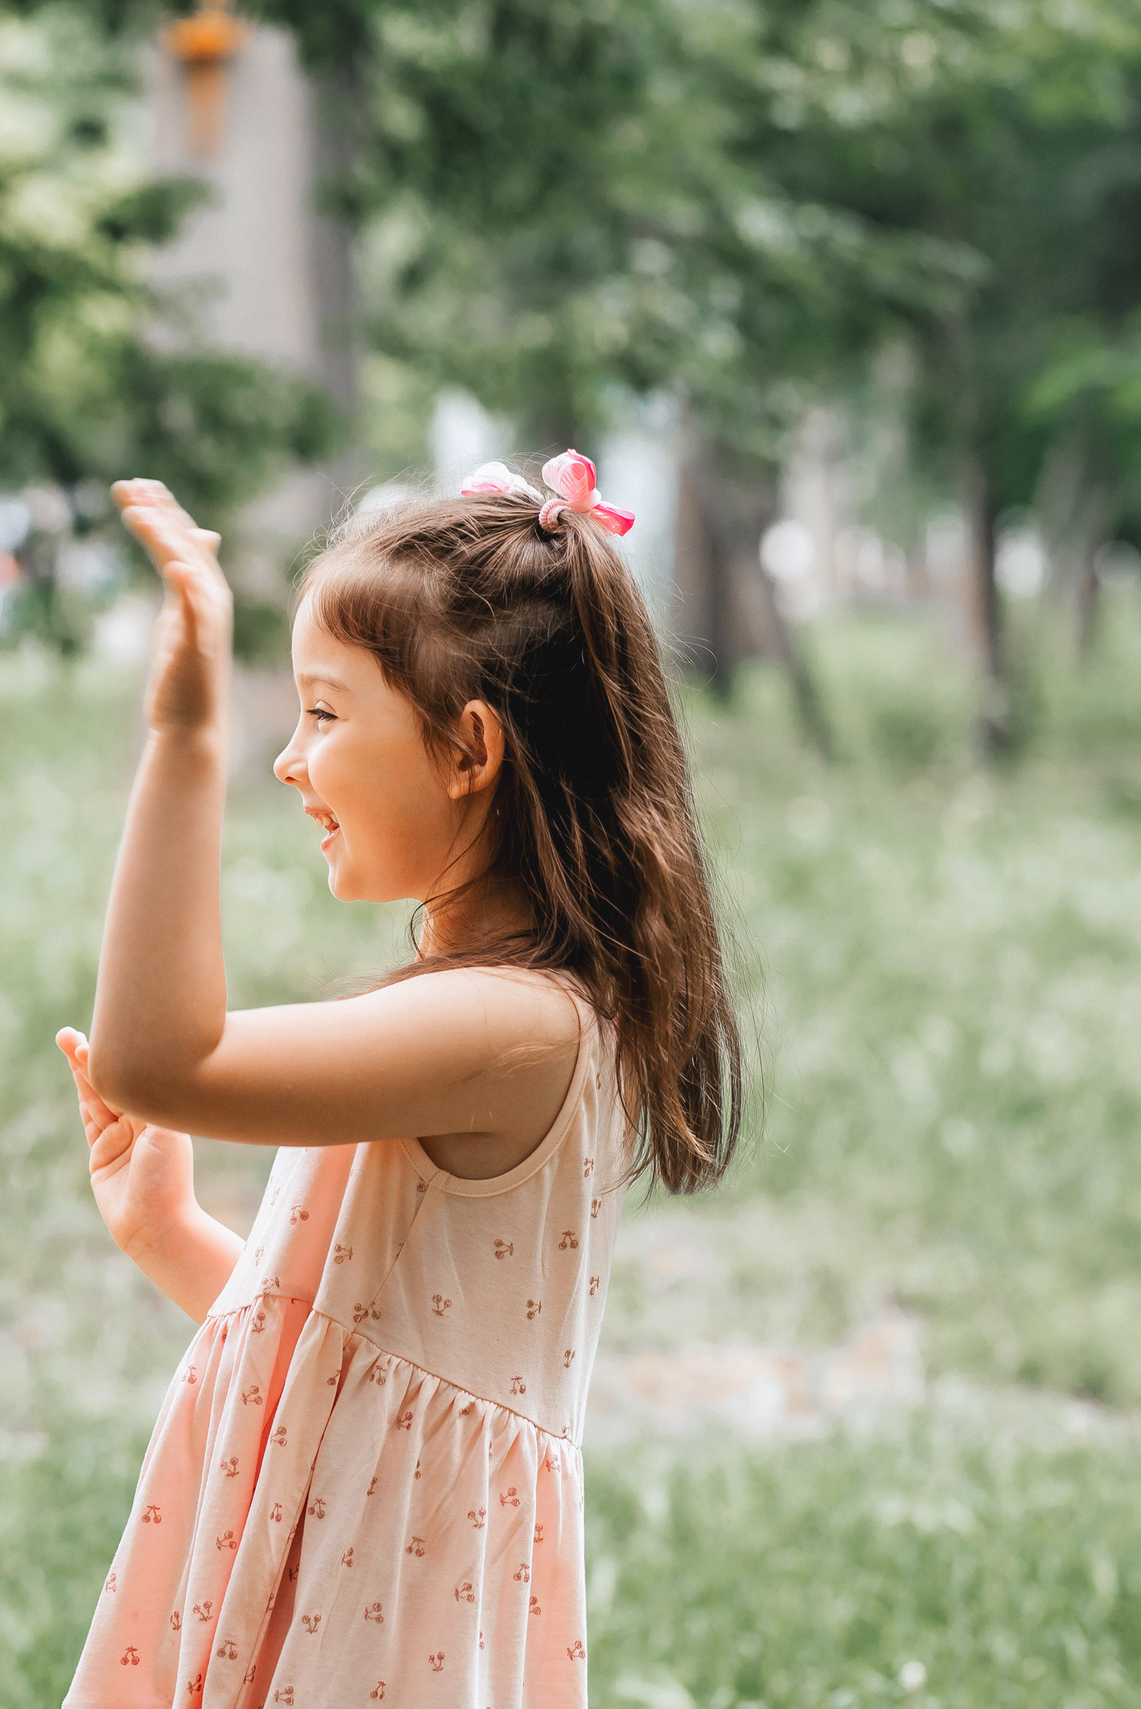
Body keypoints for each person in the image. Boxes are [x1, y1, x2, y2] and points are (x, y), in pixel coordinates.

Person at [56, 458, 741, 1706]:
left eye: (321, 713)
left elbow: (159, 1056)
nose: (286, 759)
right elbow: (358, 1374)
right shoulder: (482, 1015)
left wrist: (182, 728)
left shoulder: (510, 1028)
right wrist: (167, 1232)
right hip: (346, 1593)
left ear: (468, 749)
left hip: (370, 1635)